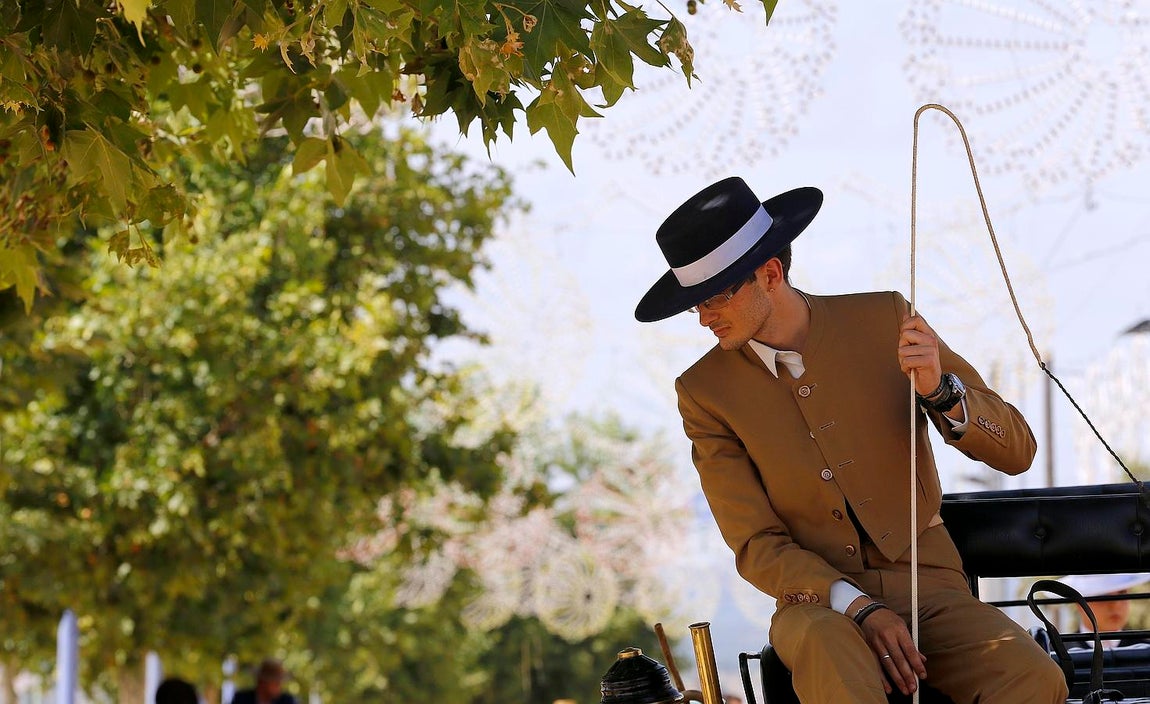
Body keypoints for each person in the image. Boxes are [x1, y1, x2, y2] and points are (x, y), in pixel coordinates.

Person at [635, 177, 1068, 703]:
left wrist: (940, 391)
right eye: (693, 305)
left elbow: (1018, 450)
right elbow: (755, 544)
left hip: (926, 585)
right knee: (830, 653)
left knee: (1035, 678)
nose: (703, 318)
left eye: (716, 297)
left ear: (770, 273)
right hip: (816, 605)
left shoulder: (883, 318)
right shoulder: (704, 392)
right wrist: (856, 605)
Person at [1063, 573, 1150, 648]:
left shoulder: (1145, 650)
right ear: (1079, 604)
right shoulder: (1056, 655)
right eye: (1102, 595)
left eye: (1122, 592)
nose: (1116, 604)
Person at [230, 659, 298, 704]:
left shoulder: (286, 701)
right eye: (275, 683)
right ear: (262, 682)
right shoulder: (242, 699)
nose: (279, 686)